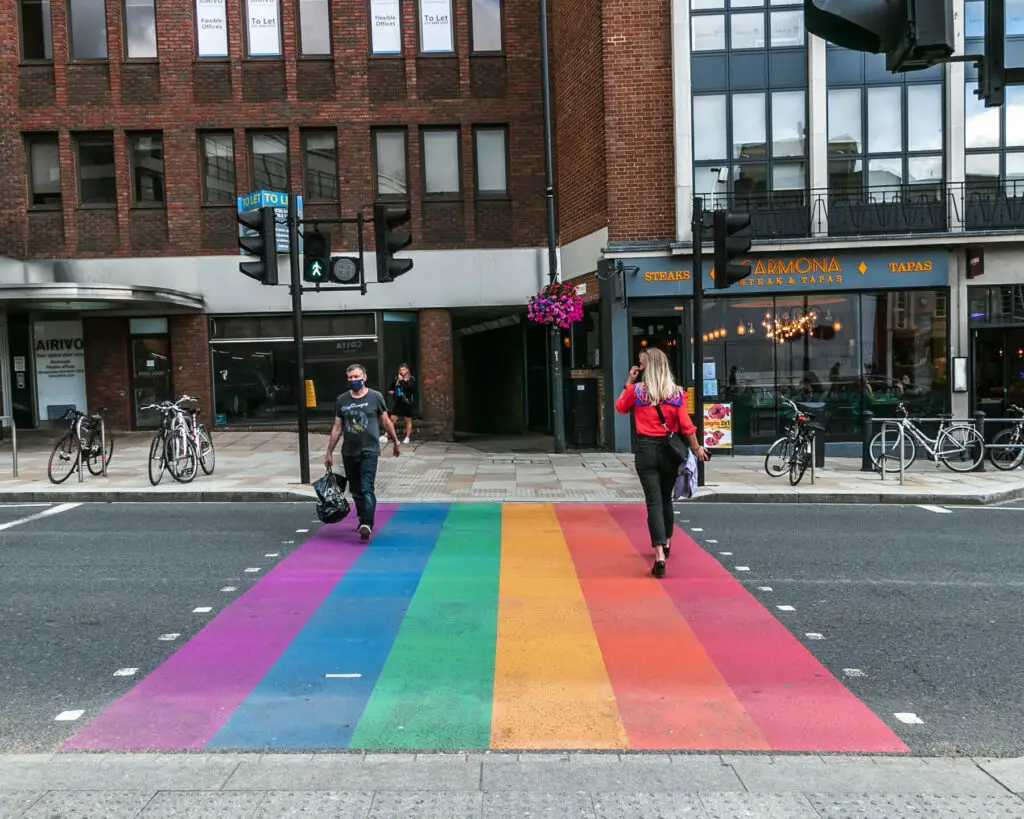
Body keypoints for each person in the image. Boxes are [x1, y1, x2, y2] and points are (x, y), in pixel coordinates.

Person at [615, 348, 708, 578]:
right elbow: (686, 426)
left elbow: (620, 407)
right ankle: (666, 542)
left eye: (642, 364)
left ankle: (658, 554)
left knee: (653, 502)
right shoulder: (677, 393)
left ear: (648, 368)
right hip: (669, 451)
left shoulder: (637, 391)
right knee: (666, 498)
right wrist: (696, 449)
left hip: (645, 450)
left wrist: (629, 381)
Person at [324, 363, 400, 541]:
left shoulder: (375, 397)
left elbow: (386, 421)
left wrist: (395, 441)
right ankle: (362, 519)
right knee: (356, 490)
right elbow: (337, 427)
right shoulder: (342, 400)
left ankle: (367, 523)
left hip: (370, 450)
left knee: (367, 488)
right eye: (350, 378)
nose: (353, 380)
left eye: (356, 377)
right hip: (349, 451)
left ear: (364, 378)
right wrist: (329, 452)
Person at [384, 363, 416, 445]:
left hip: (407, 402)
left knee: (407, 420)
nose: (401, 371)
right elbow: (390, 390)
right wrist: (395, 393)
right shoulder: (396, 379)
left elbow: (410, 389)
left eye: (403, 370)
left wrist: (401, 380)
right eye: (400, 370)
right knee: (392, 419)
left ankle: (407, 437)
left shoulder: (411, 379)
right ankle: (386, 435)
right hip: (398, 402)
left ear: (407, 370)